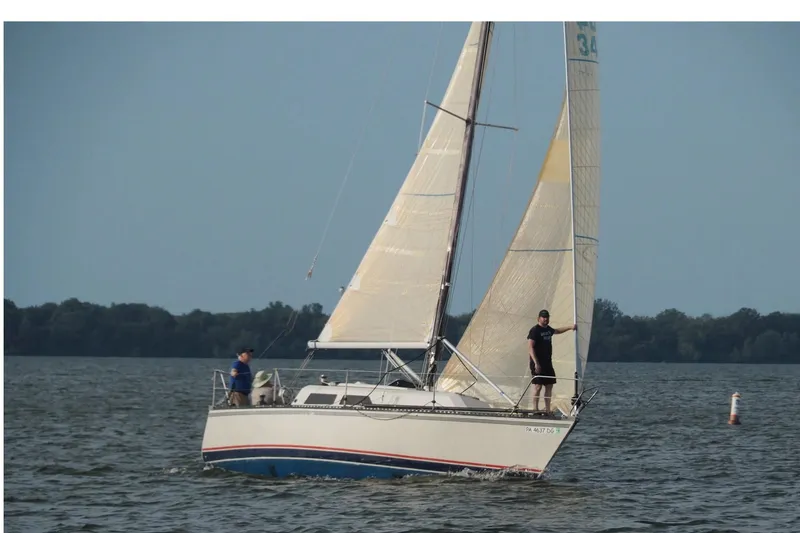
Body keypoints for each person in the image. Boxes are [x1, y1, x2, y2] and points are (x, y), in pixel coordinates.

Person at [527, 310, 576, 413]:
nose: (546, 319)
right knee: (538, 386)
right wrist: (536, 363)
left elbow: (557, 331)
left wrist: (570, 327)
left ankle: (548, 410)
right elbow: (530, 347)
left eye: (547, 317)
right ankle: (535, 409)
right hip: (537, 363)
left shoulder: (548, 330)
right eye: (543, 317)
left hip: (547, 363)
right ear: (539, 318)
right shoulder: (535, 331)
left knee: (549, 385)